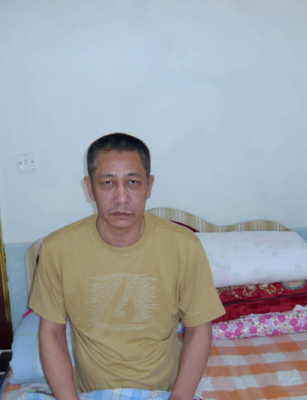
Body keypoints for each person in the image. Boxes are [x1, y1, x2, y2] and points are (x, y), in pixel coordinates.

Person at [29, 133, 224, 400]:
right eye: (108, 183)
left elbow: (199, 327)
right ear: (90, 188)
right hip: (88, 393)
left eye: (133, 182)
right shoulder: (57, 249)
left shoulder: (183, 245)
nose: (121, 198)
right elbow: (51, 332)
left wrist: (180, 397)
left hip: (165, 392)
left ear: (149, 186)